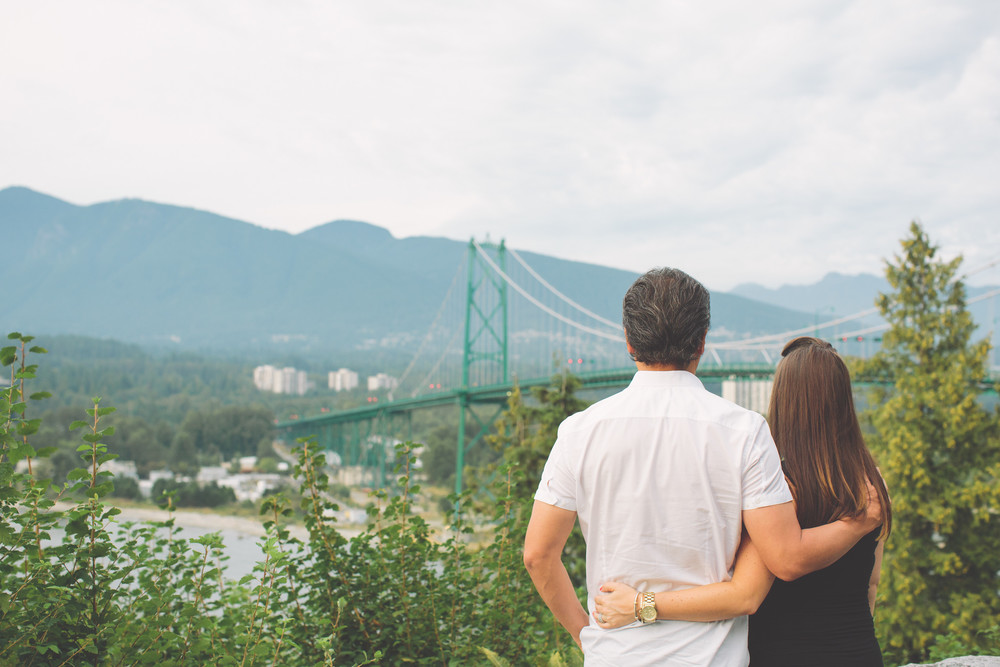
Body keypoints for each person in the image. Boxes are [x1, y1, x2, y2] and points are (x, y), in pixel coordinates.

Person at [523, 268, 882, 666]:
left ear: (628, 341)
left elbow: (538, 556)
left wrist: (587, 636)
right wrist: (860, 521)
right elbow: (777, 565)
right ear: (702, 341)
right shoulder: (745, 432)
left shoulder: (579, 431)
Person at [592, 336, 891, 666]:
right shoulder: (871, 485)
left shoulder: (773, 487)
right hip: (859, 653)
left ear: (783, 400)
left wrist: (640, 603)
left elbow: (747, 591)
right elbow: (872, 584)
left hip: (780, 656)